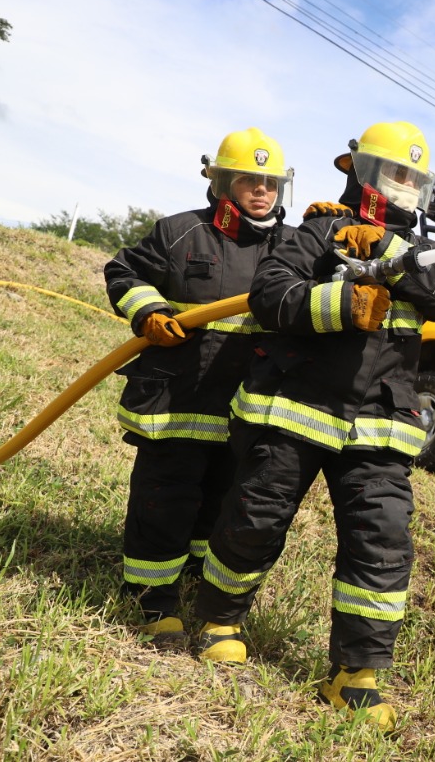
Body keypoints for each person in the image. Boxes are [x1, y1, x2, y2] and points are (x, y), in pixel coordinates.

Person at [193, 121, 435, 730]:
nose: (406, 188)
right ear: (362, 172)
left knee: (382, 542)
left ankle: (357, 675)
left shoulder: (426, 253)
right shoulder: (318, 230)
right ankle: (220, 618)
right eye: (397, 173)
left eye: (415, 179)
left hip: (379, 426)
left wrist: (390, 254)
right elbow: (270, 294)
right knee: (255, 517)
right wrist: (343, 303)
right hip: (295, 410)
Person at [104, 127, 295, 647]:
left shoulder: (292, 247)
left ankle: (192, 580)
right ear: (221, 182)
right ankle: (152, 601)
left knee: (221, 503)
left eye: (271, 183)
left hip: (245, 407)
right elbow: (123, 272)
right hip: (179, 399)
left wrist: (336, 220)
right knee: (165, 497)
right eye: (249, 180)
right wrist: (148, 311)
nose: (262, 191)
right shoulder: (180, 232)